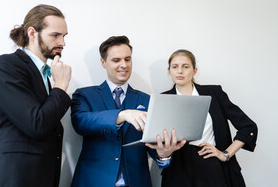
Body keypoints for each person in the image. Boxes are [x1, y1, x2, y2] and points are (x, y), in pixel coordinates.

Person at [71, 36, 185, 187]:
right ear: (103, 63)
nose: (124, 65)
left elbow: (153, 146)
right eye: (116, 60)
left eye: (127, 59)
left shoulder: (148, 100)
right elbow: (81, 122)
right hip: (93, 181)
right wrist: (122, 115)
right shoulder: (84, 94)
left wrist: (163, 154)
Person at [0, 4, 72, 187]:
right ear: (32, 33)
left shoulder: (44, 75)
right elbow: (37, 124)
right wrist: (60, 86)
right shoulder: (6, 66)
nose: (62, 43)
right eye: (55, 35)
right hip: (12, 179)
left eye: (64, 36)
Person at [161, 49, 258, 187]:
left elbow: (248, 127)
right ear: (169, 70)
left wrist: (225, 154)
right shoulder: (161, 100)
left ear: (194, 71)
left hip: (214, 170)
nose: (180, 71)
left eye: (185, 66)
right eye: (175, 67)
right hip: (178, 172)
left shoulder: (214, 93)